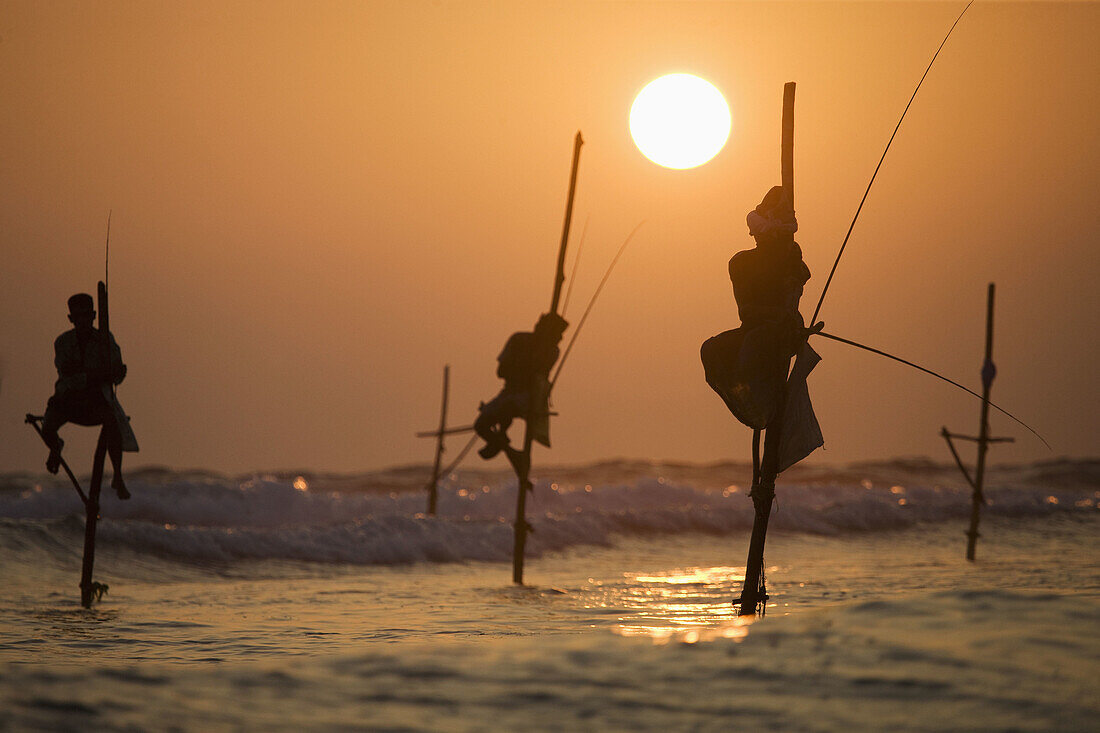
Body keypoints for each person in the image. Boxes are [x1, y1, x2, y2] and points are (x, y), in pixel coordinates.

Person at [701, 186, 812, 430]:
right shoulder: (742, 263)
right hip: (757, 332)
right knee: (712, 349)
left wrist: (788, 316)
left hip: (783, 336)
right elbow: (747, 312)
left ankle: (764, 406)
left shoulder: (791, 257)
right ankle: (753, 408)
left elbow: (802, 278)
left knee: (755, 344)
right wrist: (776, 315)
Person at [41, 293, 130, 500]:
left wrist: (112, 374)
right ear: (71, 318)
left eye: (86, 316)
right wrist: (98, 375)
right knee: (48, 428)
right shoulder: (62, 343)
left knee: (112, 421)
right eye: (77, 316)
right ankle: (56, 447)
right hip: (67, 401)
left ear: (94, 316)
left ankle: (117, 476)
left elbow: (117, 373)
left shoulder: (106, 340)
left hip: (94, 403)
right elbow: (69, 376)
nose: (82, 321)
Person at [475, 312, 568, 460]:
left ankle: (502, 441)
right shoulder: (518, 339)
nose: (561, 339)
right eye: (558, 334)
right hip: (509, 393)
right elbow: (502, 371)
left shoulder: (551, 351)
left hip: (531, 399)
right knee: (480, 424)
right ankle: (501, 443)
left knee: (506, 410)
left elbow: (537, 376)